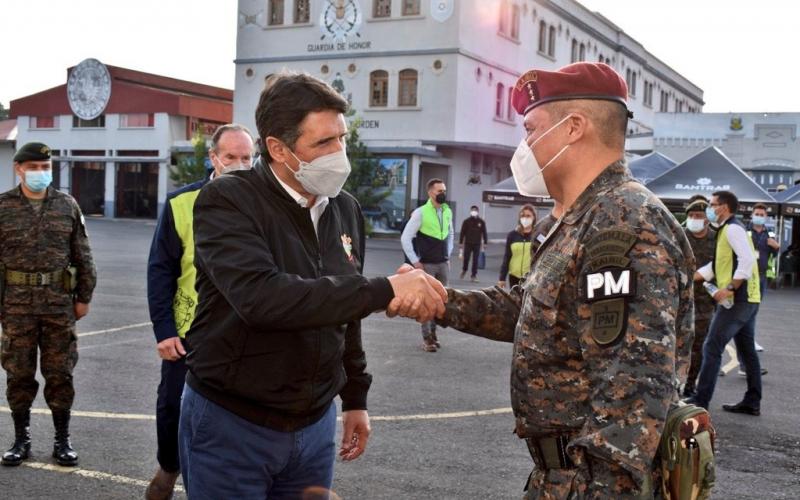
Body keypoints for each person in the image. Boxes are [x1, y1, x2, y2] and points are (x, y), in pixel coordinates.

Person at [392, 62, 695, 497]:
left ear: (573, 128)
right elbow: (528, 308)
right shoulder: (574, 218)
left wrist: (602, 488)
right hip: (561, 475)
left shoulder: (624, 222)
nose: (525, 145)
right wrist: (442, 301)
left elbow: (632, 391)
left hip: (595, 482)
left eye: (531, 129)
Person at [178, 72, 446, 499]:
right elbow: (262, 298)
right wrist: (386, 291)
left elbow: (345, 306)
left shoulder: (344, 207)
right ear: (278, 149)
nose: (339, 152)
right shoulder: (228, 200)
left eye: (340, 137)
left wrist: (355, 396)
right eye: (323, 143)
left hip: (314, 426)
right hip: (233, 425)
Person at [145, 124, 254, 499]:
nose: (239, 165)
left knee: (240, 413)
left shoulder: (266, 204)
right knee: (172, 406)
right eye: (231, 158)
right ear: (214, 158)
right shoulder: (181, 203)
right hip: (190, 331)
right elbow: (161, 269)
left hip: (246, 331)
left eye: (246, 158)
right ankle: (169, 467)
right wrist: (164, 330)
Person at [0, 142, 96, 467]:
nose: (40, 172)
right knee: (18, 373)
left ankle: (62, 440)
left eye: (45, 167)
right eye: (34, 167)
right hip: (15, 305)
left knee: (60, 373)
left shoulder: (67, 205)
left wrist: (84, 296)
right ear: (19, 169)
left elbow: (83, 255)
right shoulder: (3, 207)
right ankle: (20, 439)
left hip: (58, 304)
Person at [687, 190, 762, 416]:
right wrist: (688, 277)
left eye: (712, 204)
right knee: (747, 350)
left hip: (737, 300)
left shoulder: (733, 229)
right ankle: (752, 400)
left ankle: (701, 400)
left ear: (724, 207)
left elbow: (747, 260)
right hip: (749, 299)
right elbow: (715, 266)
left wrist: (728, 289)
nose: (709, 208)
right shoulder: (726, 231)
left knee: (712, 346)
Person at [400, 178, 454, 352]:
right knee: (426, 302)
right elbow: (405, 238)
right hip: (427, 265)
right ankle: (427, 339)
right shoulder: (421, 213)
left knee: (441, 302)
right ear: (430, 193)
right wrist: (415, 261)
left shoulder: (447, 211)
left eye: (444, 190)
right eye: (439, 191)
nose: (443, 194)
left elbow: (451, 233)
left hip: (443, 264)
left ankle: (434, 334)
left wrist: (448, 254)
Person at [681, 196, 717, 397]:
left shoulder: (717, 239)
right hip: (680, 299)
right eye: (692, 215)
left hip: (704, 302)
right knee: (677, 344)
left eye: (699, 215)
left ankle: (690, 383)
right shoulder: (680, 235)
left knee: (698, 346)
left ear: (707, 219)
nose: (694, 218)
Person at [745, 202, 778, 357]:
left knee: (755, 308)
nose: (758, 217)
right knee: (744, 307)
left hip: (762, 276)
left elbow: (774, 254)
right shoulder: (745, 231)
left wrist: (776, 247)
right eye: (756, 214)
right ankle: (745, 338)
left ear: (766, 216)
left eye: (761, 215)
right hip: (746, 275)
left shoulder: (769, 233)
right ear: (752, 215)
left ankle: (750, 338)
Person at [497, 204, 536, 289]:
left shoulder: (537, 235)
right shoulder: (512, 235)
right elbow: (507, 257)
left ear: (534, 217)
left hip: (531, 277)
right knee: (515, 301)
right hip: (514, 276)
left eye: (528, 216)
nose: (525, 218)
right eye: (523, 216)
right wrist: (502, 278)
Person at [458, 205, 487, 282]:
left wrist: (485, 242)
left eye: (475, 210)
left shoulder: (481, 222)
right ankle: (464, 270)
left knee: (475, 260)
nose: (474, 212)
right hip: (468, 243)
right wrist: (461, 242)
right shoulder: (466, 221)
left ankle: (473, 275)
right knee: (466, 258)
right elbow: (462, 233)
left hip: (477, 244)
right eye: (472, 210)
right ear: (470, 211)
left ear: (477, 211)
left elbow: (484, 232)